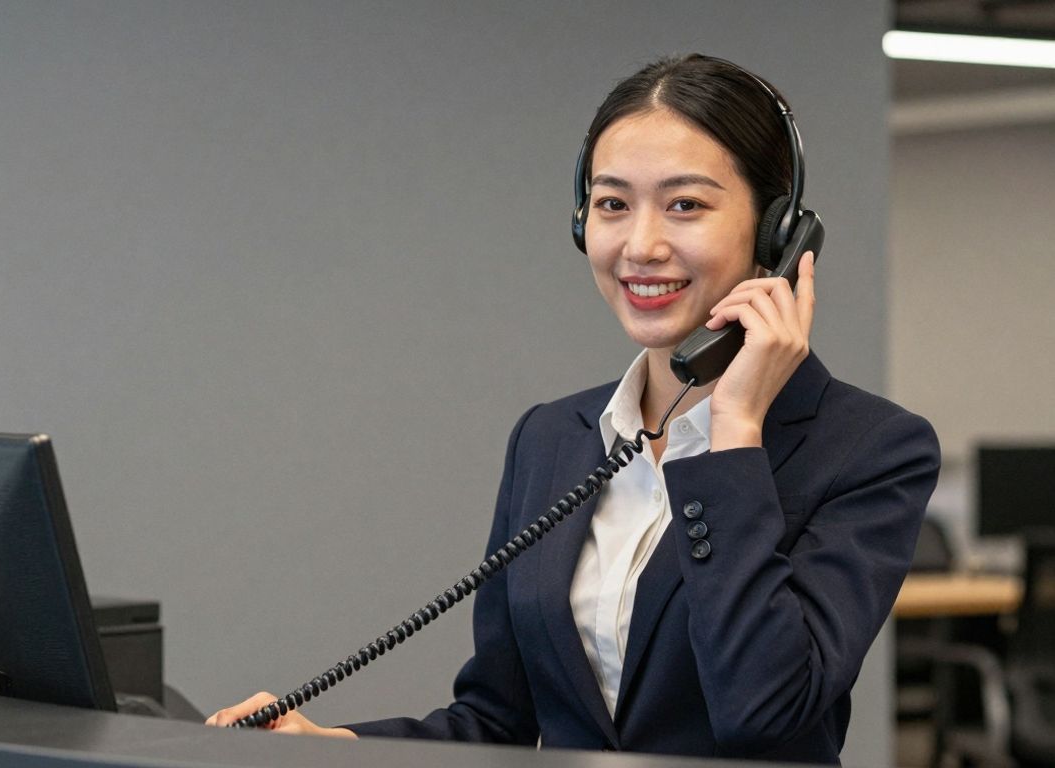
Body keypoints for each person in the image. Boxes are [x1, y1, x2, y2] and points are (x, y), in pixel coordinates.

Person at [207, 53, 940, 764]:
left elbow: (762, 710)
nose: (641, 245)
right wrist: (332, 747)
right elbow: (497, 717)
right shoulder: (552, 439)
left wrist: (736, 434)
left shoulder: (872, 449)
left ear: (778, 234)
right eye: (613, 204)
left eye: (686, 205)